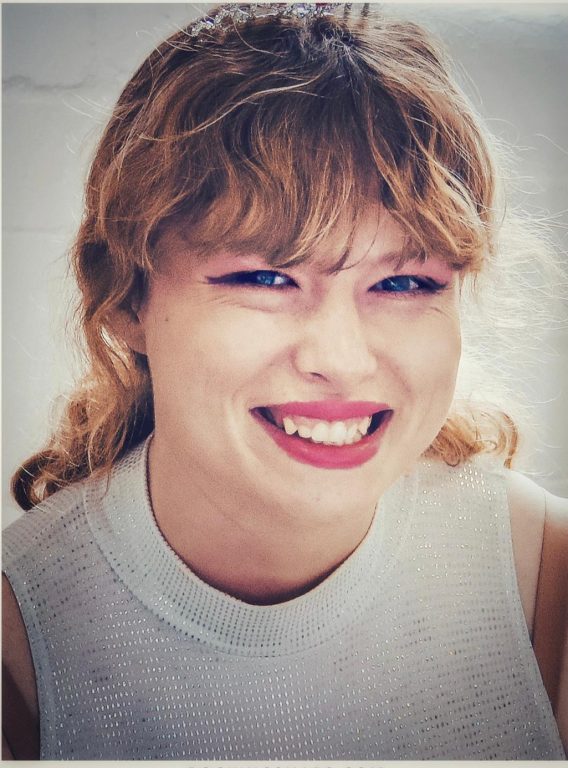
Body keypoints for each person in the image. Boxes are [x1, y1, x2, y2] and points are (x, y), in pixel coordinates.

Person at [2, 2, 567, 760]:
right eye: (266, 276)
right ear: (129, 298)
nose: (343, 357)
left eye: (404, 284)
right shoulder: (22, 637)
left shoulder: (549, 584)